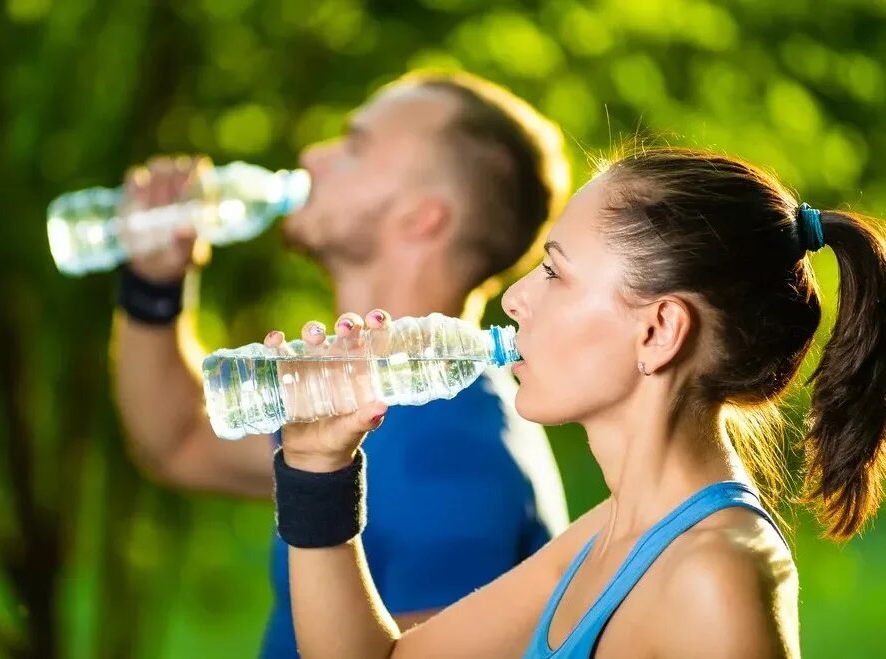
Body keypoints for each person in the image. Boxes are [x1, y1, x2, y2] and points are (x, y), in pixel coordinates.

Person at [270, 148, 886, 658]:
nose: (513, 299)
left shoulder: (715, 578)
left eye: (554, 273)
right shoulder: (612, 532)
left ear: (659, 331)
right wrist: (316, 467)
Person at [111, 70, 572, 657]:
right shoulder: (368, 397)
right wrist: (154, 288)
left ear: (421, 217)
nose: (313, 155)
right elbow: (177, 442)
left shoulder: (451, 451)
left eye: (354, 147)